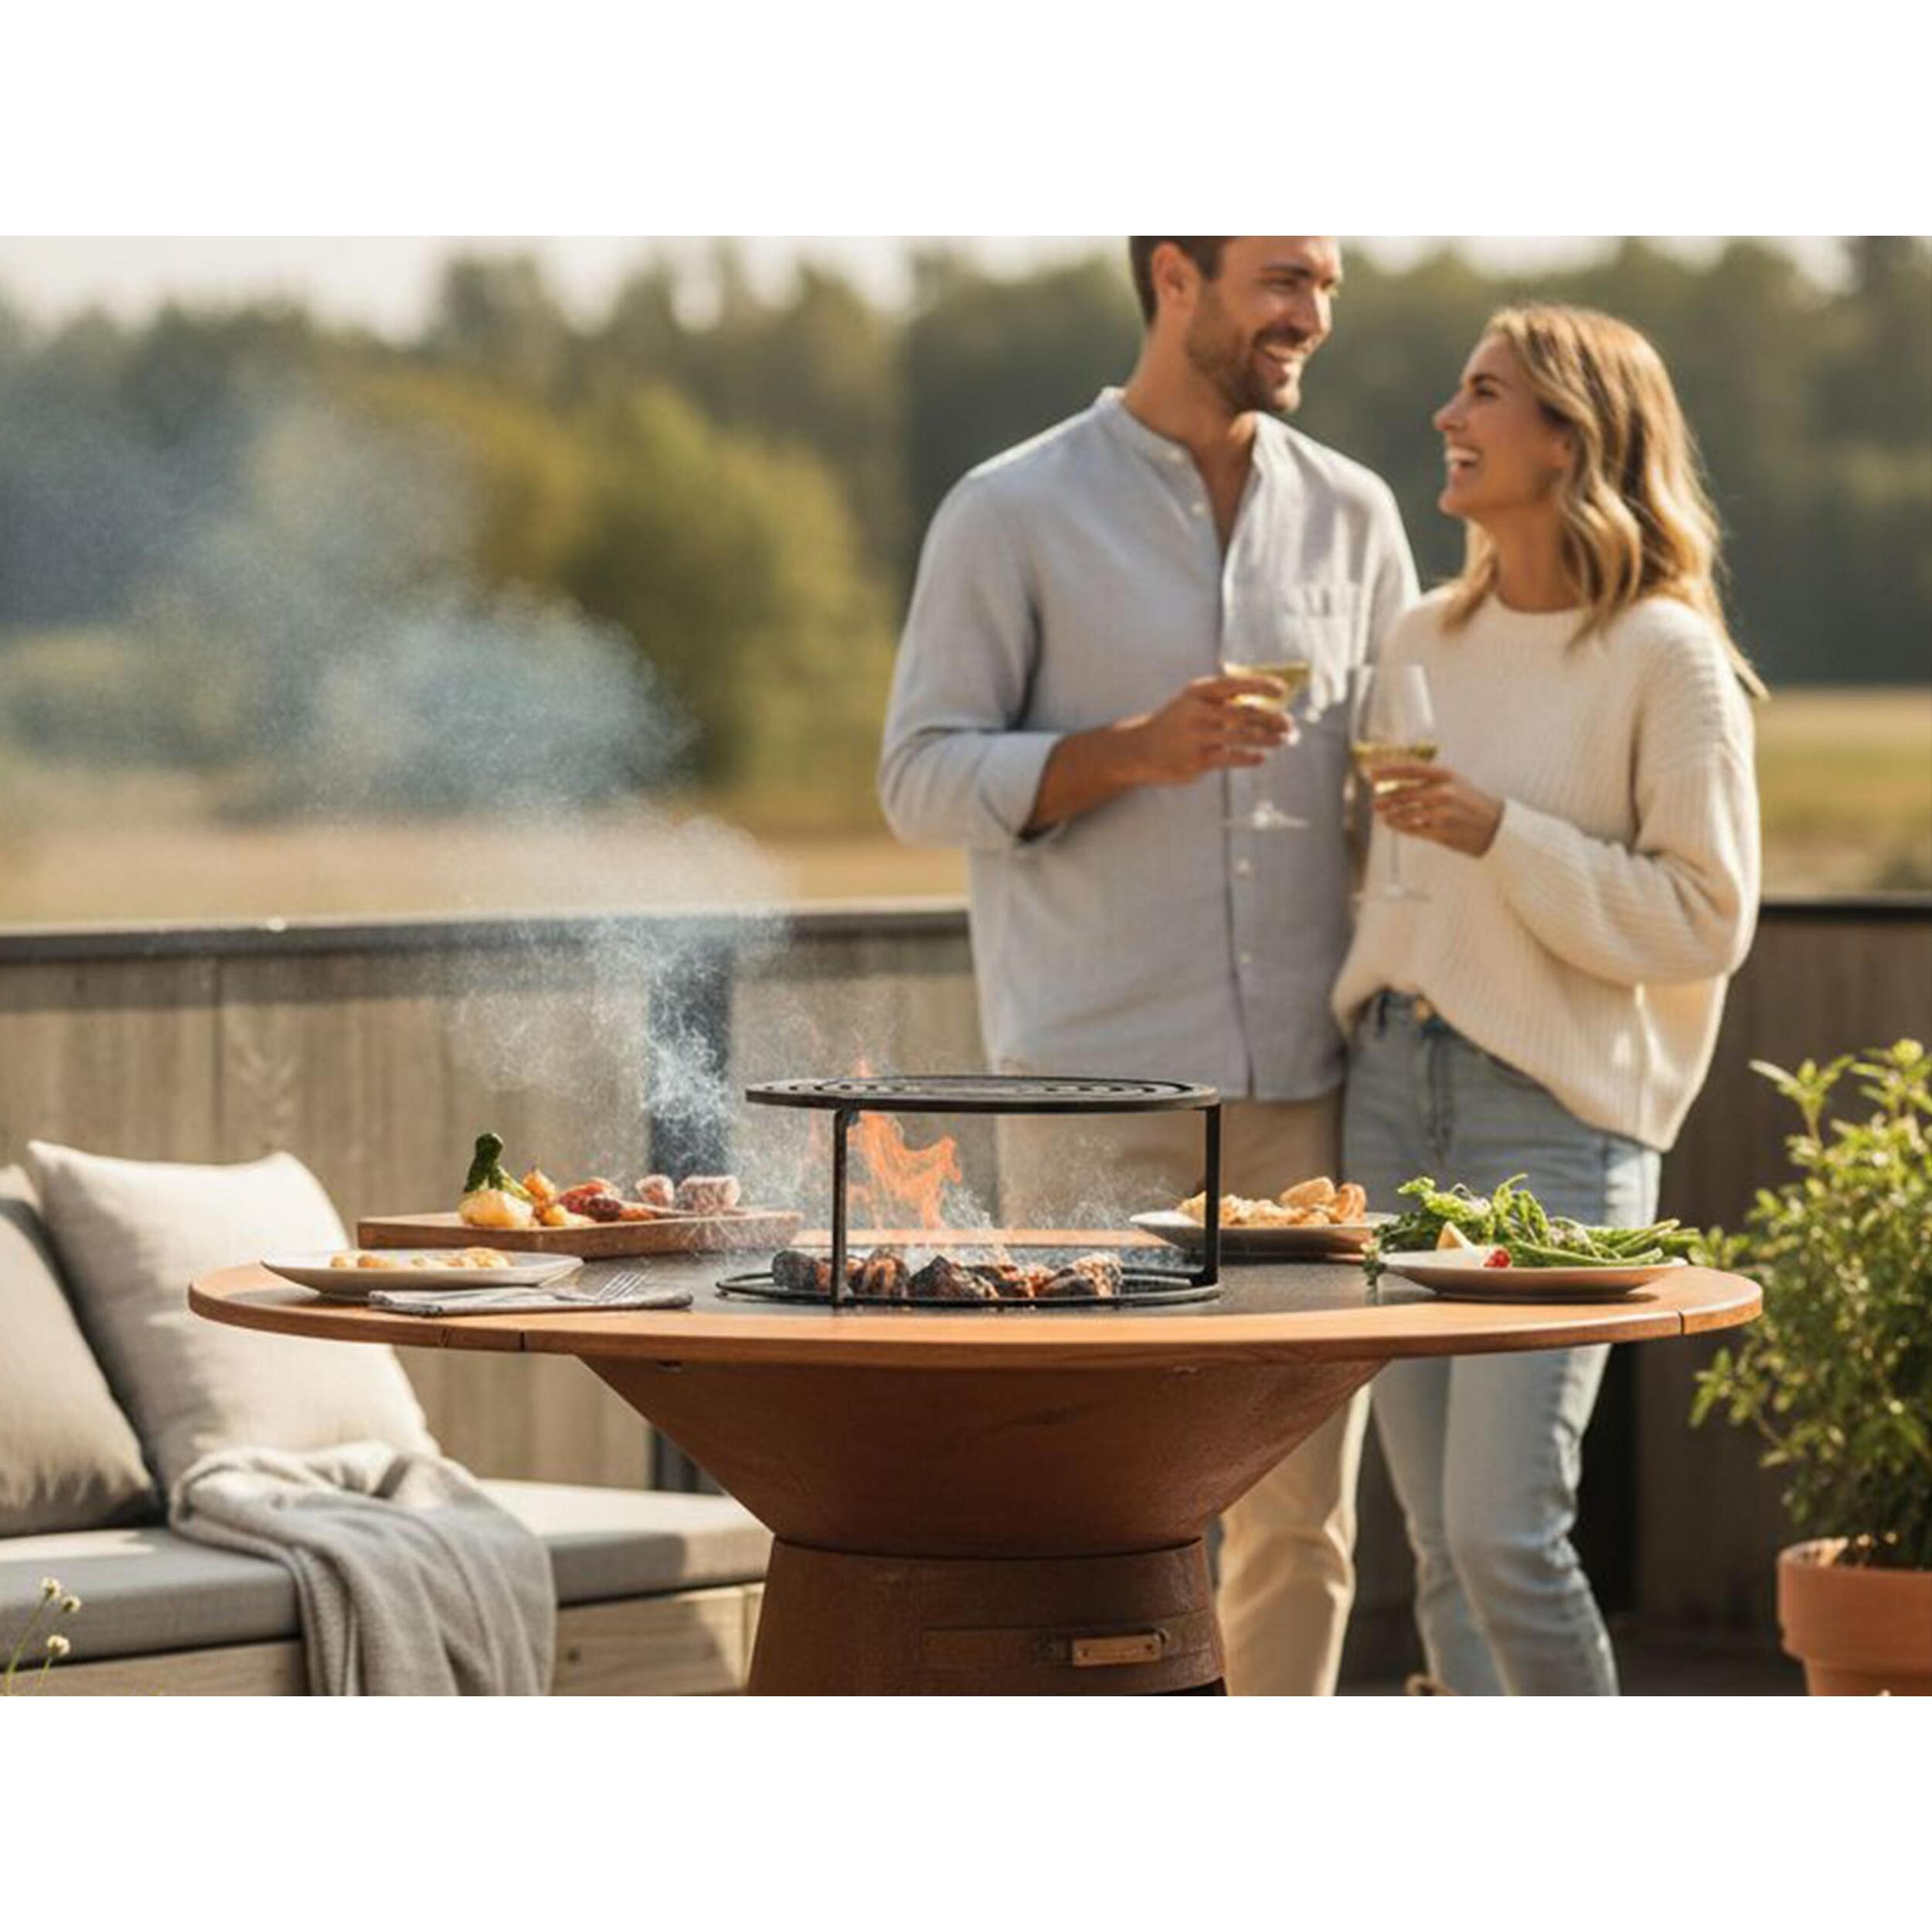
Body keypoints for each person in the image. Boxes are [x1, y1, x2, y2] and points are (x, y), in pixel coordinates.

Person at [879, 236, 1417, 1696]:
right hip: (1088, 1098)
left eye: (1327, 284)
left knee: (1304, 1521)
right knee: (1085, 1512)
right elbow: (919, 779)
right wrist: (1131, 752)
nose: (1312, 316)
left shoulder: (1358, 517)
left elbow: (1393, 774)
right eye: (1283, 279)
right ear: (1175, 275)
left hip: (1304, 1101)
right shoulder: (1013, 509)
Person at [1332, 304, 1764, 1695]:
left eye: (1482, 395)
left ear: (1569, 436)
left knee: (1504, 1531)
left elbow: (1707, 919)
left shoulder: (1663, 656)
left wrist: (1501, 834)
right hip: (1391, 1093)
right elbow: (1390, 881)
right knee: (1435, 1547)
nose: (1447, 422)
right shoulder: (1421, 635)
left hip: (1554, 1121)